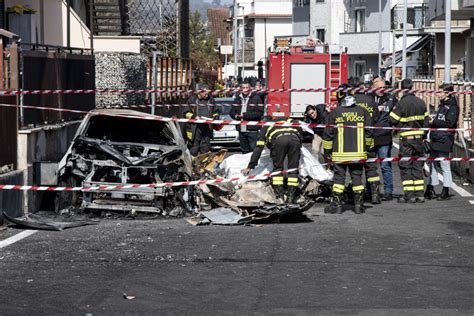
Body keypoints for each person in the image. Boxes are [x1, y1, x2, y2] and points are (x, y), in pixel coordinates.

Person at [323, 85, 374, 214]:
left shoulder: (335, 112)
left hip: (339, 154)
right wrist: (367, 148)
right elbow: (369, 132)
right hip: (358, 154)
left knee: (339, 179)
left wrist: (327, 152)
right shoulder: (363, 112)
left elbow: (328, 134)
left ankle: (337, 205)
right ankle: (358, 206)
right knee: (357, 178)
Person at [241, 117, 303, 204]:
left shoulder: (266, 126)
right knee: (293, 170)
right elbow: (298, 127)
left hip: (279, 140)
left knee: (278, 169)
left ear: (263, 122)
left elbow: (259, 148)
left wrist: (250, 166)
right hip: (295, 139)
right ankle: (290, 198)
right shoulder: (287, 120)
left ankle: (280, 197)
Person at [389, 78, 429, 203]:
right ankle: (420, 195)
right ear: (412, 87)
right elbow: (426, 123)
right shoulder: (421, 102)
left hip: (406, 139)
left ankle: (409, 195)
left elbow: (392, 120)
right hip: (419, 140)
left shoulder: (402, 103)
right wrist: (423, 135)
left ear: (402, 89)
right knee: (417, 166)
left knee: (406, 166)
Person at [350, 77, 382, 204]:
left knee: (356, 170)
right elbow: (376, 118)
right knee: (371, 168)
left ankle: (358, 198)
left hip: (353, 141)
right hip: (369, 139)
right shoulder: (370, 100)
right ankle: (375, 195)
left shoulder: (350, 102)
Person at [425, 83, 460, 200]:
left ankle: (446, 190)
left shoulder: (453, 107)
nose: (437, 94)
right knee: (433, 164)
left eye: (440, 92)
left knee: (445, 165)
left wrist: (433, 122)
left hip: (445, 139)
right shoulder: (442, 105)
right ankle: (430, 188)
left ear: (447, 93)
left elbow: (450, 123)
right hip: (435, 138)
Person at [372, 77, 397, 201]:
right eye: (378, 88)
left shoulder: (391, 98)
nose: (381, 90)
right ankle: (371, 190)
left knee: (385, 165)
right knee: (370, 166)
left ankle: (388, 191)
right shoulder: (369, 98)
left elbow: (397, 112)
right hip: (370, 136)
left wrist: (390, 123)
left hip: (384, 136)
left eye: (383, 88)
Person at [230, 81, 264, 153]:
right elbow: (232, 111)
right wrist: (235, 116)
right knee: (244, 151)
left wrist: (245, 115)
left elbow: (260, 113)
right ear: (241, 89)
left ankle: (254, 164)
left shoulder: (256, 98)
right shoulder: (237, 98)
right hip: (241, 129)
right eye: (243, 88)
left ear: (250, 88)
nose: (245, 89)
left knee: (254, 151)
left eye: (247, 87)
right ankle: (246, 164)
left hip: (252, 130)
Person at [185, 87, 219, 158]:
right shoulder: (192, 100)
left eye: (207, 94)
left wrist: (216, 117)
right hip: (195, 128)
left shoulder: (211, 100)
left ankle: (203, 165)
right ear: (200, 92)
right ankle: (192, 165)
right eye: (205, 94)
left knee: (205, 147)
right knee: (194, 147)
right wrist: (194, 117)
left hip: (207, 127)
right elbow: (186, 113)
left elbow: (216, 111)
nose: (207, 95)